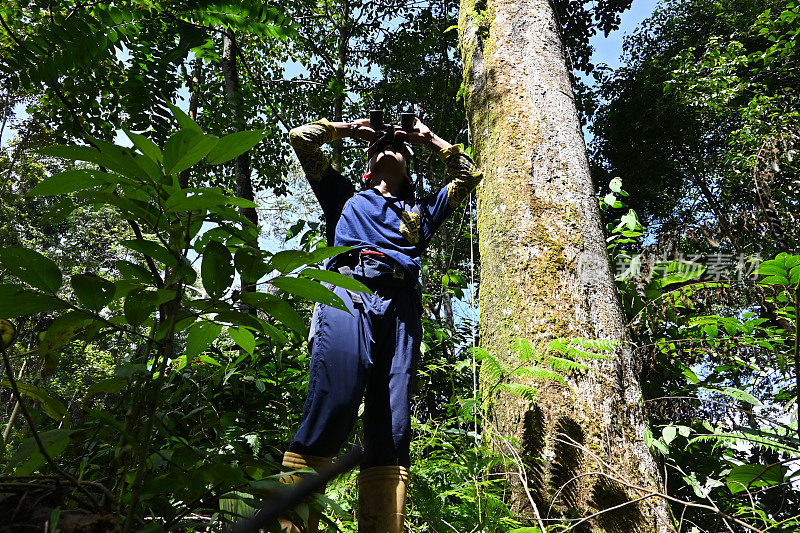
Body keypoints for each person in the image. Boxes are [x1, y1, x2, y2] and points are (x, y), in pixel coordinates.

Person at [281, 115, 482, 532]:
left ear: (409, 167)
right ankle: (292, 522)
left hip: (401, 304)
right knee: (334, 400)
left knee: (391, 428)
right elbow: (301, 139)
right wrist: (351, 130)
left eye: (401, 147)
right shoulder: (344, 197)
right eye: (384, 145)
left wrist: (429, 138)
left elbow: (469, 174)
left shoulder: (422, 211)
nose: (393, 145)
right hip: (347, 289)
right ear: (367, 166)